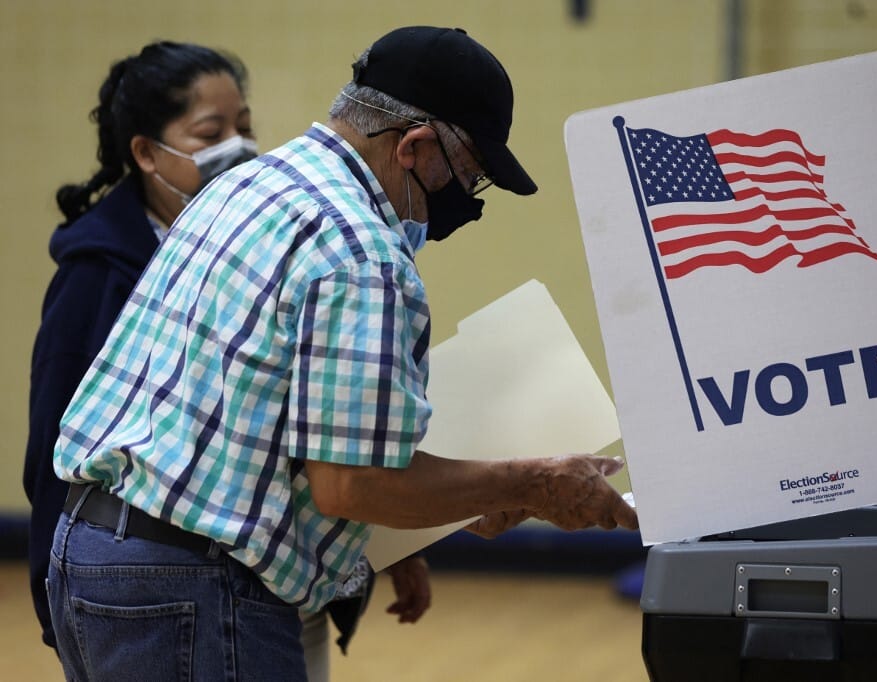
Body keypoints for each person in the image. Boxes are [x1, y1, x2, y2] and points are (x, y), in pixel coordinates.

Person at [48, 26, 638, 681]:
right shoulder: (361, 253)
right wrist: (536, 483)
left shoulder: (248, 187)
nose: (465, 202)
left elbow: (261, 425)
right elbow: (349, 483)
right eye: (467, 176)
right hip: (196, 586)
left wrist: (451, 506)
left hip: (91, 556)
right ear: (414, 146)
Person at [23, 40, 257, 654]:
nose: (239, 146)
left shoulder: (251, 249)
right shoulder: (96, 273)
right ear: (147, 153)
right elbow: (55, 436)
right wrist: (54, 592)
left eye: (245, 126)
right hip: (145, 578)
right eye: (212, 132)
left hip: (257, 573)